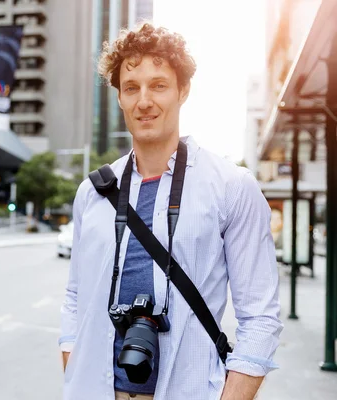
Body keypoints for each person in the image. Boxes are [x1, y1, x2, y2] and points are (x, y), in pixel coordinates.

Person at [59, 23, 283, 400]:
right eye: (132, 88)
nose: (144, 100)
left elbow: (260, 319)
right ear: (119, 98)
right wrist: (73, 369)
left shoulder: (231, 187)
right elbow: (74, 298)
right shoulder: (92, 192)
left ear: (183, 90)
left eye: (158, 85)